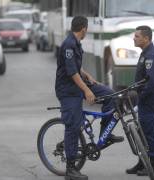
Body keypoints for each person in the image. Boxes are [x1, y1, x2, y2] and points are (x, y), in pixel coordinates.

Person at [55, 16, 124, 180]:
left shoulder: (76, 42)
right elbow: (72, 73)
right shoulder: (69, 45)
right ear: (84, 29)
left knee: (110, 95)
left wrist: (89, 77)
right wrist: (87, 90)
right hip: (68, 90)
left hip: (79, 82)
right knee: (73, 126)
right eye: (87, 29)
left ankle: (104, 134)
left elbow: (78, 69)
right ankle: (70, 169)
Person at [126, 25, 154, 176]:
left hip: (150, 99)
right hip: (145, 99)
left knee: (149, 132)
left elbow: (152, 82)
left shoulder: (151, 56)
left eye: (137, 36)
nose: (134, 38)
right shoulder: (145, 53)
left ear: (146, 38)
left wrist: (140, 97)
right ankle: (142, 163)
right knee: (142, 132)